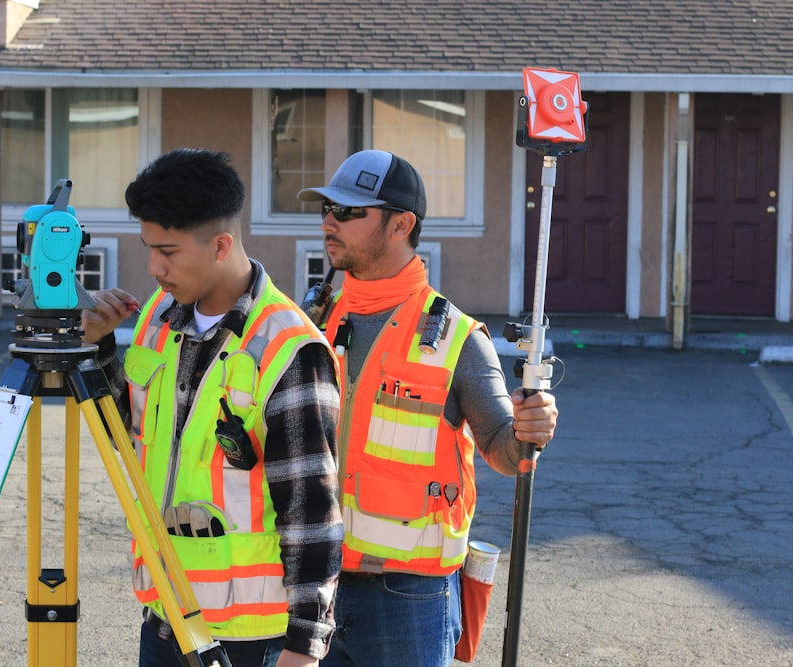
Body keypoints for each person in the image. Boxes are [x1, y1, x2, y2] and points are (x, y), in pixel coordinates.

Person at [81, 148, 343, 667]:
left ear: (221, 244)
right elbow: (128, 439)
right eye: (148, 248)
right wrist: (99, 349)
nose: (154, 267)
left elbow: (312, 508)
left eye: (169, 251)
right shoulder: (158, 317)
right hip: (165, 615)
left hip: (252, 638)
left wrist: (304, 646)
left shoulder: (288, 347)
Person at [296, 150, 559, 667]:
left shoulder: (458, 339)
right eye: (327, 208)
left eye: (349, 211)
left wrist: (533, 428)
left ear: (402, 224)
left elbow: (505, 453)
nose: (330, 221)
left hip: (408, 600)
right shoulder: (309, 322)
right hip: (308, 584)